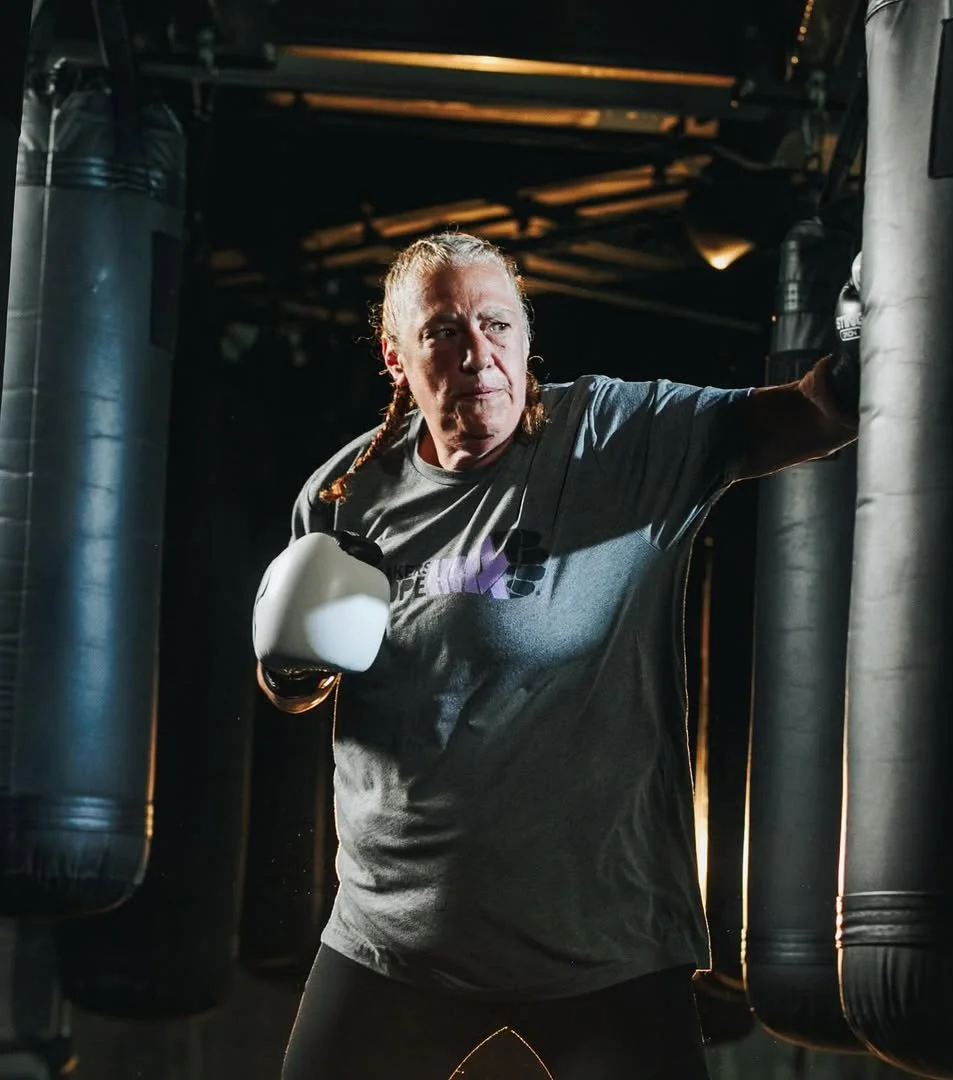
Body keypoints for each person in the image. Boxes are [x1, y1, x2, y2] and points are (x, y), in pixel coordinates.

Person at [254, 230, 860, 1080]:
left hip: (600, 948)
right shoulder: (347, 491)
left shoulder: (616, 438)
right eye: (443, 332)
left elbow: (808, 416)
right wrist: (291, 666)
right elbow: (296, 690)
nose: (477, 353)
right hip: (396, 941)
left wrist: (872, 346)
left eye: (497, 325)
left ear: (527, 337)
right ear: (397, 357)